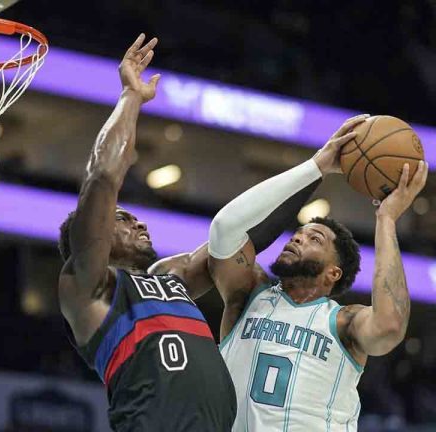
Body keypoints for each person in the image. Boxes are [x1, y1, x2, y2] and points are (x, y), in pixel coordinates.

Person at [57, 33, 322, 431]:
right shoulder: (88, 285)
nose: (139, 223)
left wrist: (318, 168)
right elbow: (102, 178)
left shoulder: (169, 277)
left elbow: (241, 239)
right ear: (89, 235)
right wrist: (131, 96)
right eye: (123, 219)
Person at [208, 114, 429, 431]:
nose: (298, 238)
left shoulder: (343, 323)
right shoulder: (248, 296)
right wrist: (316, 167)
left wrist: (387, 220)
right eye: (298, 233)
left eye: (315, 239)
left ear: (333, 273)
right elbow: (224, 229)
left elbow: (390, 327)